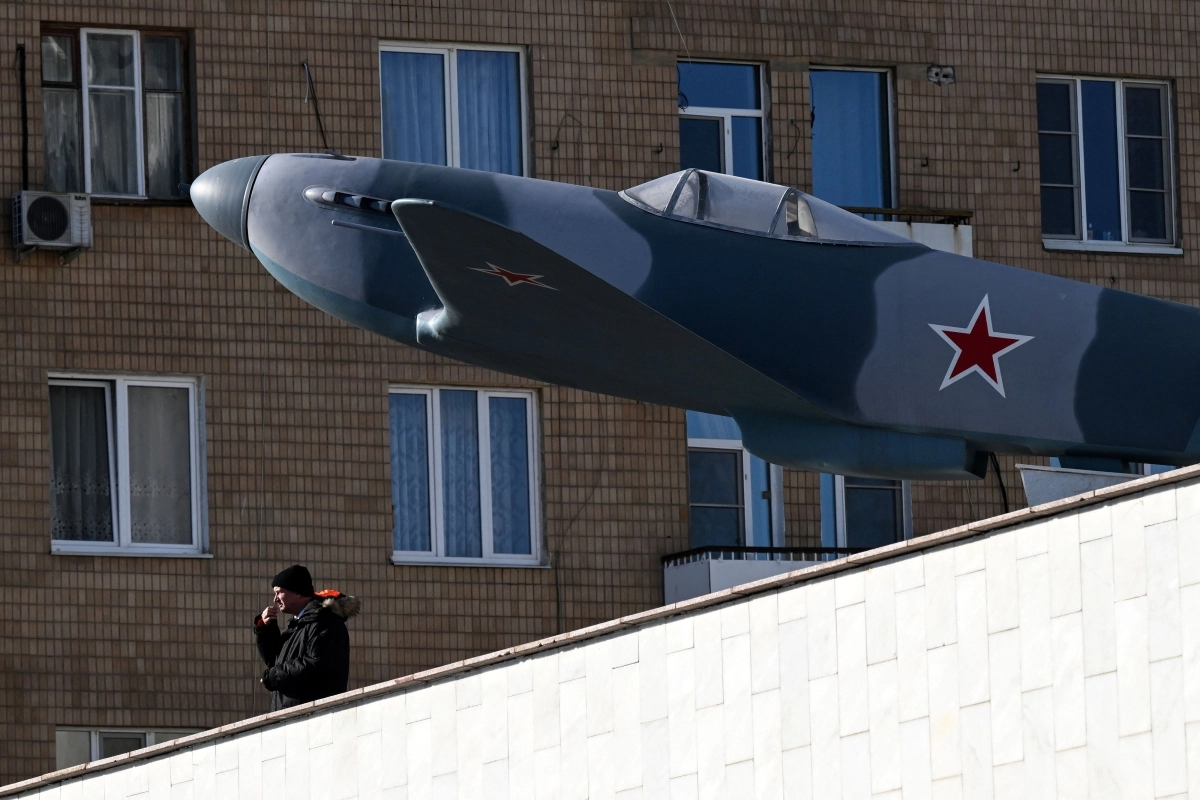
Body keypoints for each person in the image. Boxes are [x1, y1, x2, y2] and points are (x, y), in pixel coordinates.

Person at [253, 564, 360, 711]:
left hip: (314, 716)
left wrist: (273, 676)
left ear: (297, 593)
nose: (275, 599)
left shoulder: (324, 621)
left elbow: (316, 664)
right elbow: (275, 661)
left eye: (279, 592)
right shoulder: (299, 624)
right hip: (293, 715)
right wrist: (266, 628)